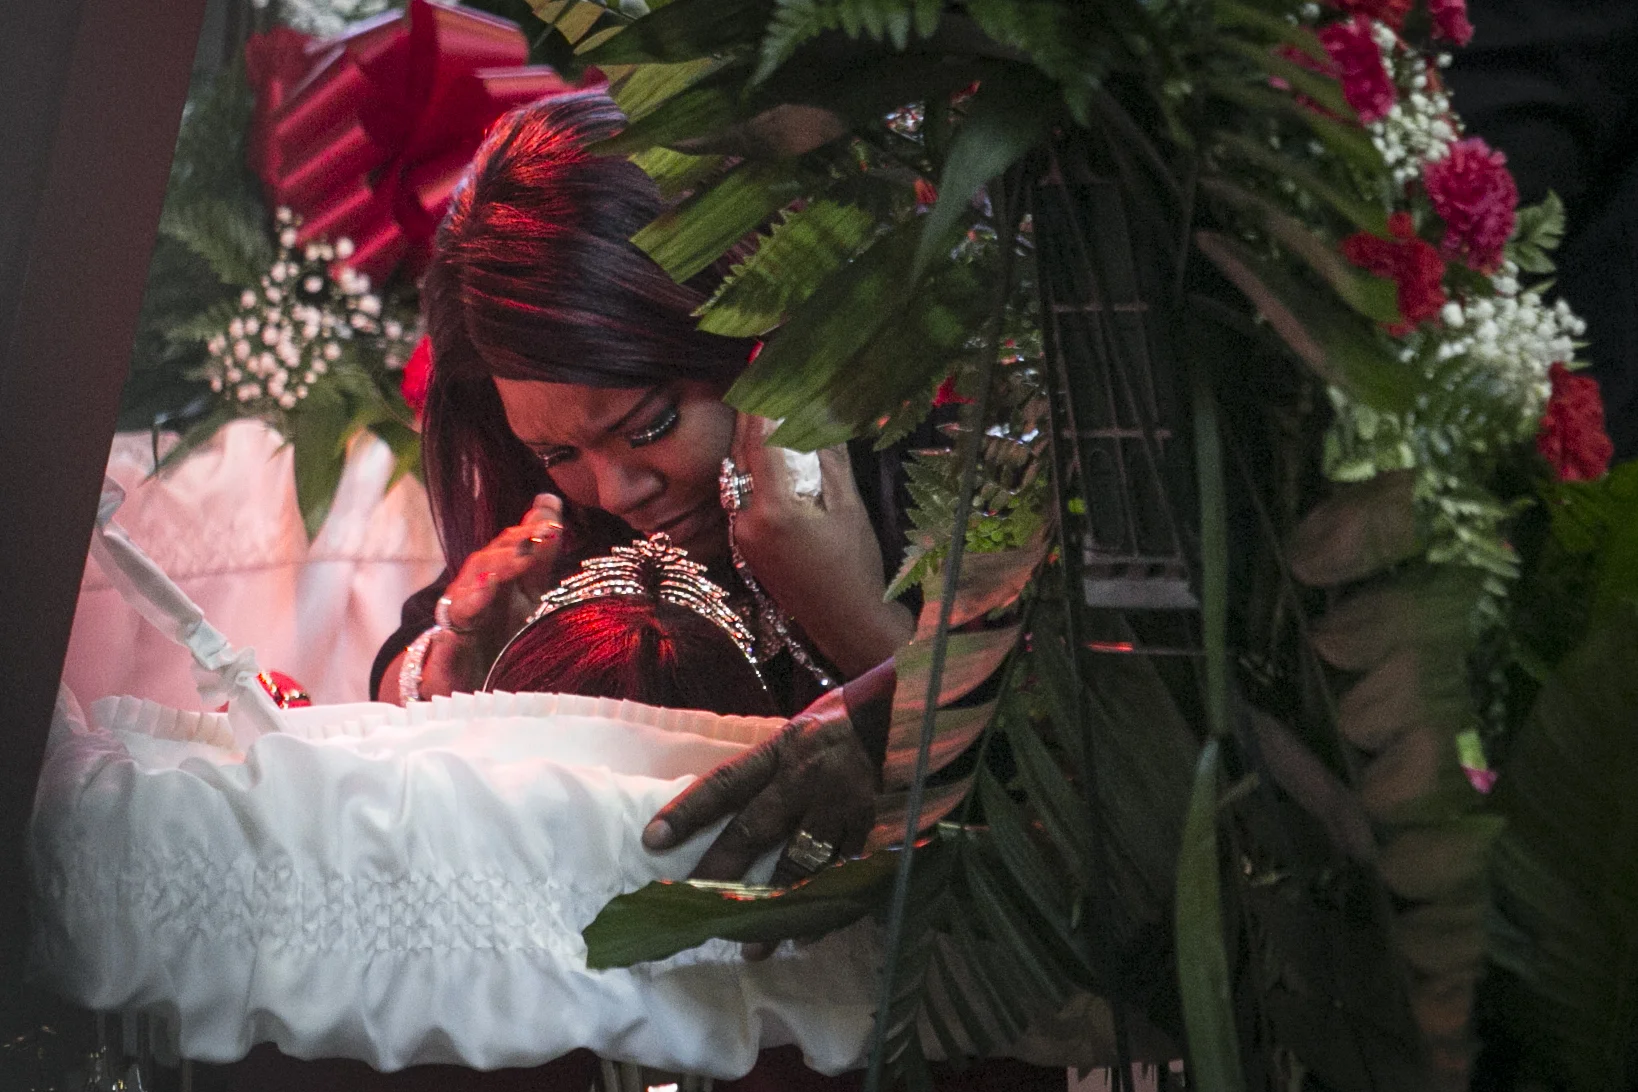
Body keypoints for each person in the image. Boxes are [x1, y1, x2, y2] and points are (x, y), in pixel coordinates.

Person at [371, 88, 912, 891]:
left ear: (759, 330)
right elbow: (409, 652)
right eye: (557, 453)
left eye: (651, 425)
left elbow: (1073, 747)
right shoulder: (582, 520)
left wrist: (860, 624)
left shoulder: (930, 437)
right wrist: (458, 665)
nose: (615, 490)